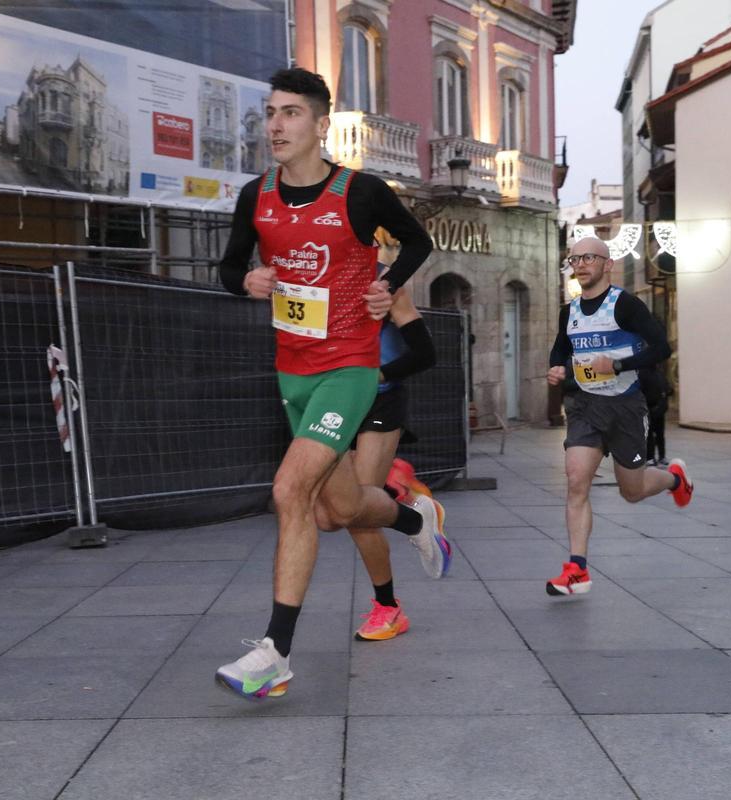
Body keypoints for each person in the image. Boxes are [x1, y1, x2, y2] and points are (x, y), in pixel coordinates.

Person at [214, 68, 448, 700]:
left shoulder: (360, 191)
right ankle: (413, 518)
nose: (276, 125)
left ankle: (275, 654)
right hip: (292, 370)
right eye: (271, 113)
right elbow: (229, 265)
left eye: (290, 113)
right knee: (336, 509)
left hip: (350, 367)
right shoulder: (254, 195)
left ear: (320, 124)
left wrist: (388, 283)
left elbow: (417, 239)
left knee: (290, 490)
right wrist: (247, 282)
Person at [544, 237, 694, 597]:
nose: (580, 265)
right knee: (576, 480)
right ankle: (577, 570)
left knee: (632, 490)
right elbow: (561, 347)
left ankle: (675, 480)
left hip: (626, 407)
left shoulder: (625, 306)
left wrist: (619, 364)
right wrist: (556, 368)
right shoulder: (571, 311)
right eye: (575, 259)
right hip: (585, 406)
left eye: (589, 259)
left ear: (607, 264)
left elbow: (662, 347)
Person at [348, 256, 442, 641]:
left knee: (357, 511)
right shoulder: (310, 272)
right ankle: (409, 509)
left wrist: (379, 374)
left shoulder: (384, 281)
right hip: (330, 400)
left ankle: (388, 608)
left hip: (379, 400)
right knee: (330, 505)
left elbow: (425, 353)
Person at [639, 362, 671, 466]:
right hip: (648, 408)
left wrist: (666, 396)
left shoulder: (658, 373)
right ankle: (650, 457)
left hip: (660, 409)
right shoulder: (642, 373)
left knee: (660, 435)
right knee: (649, 435)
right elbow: (641, 391)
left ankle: (662, 456)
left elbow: (666, 387)